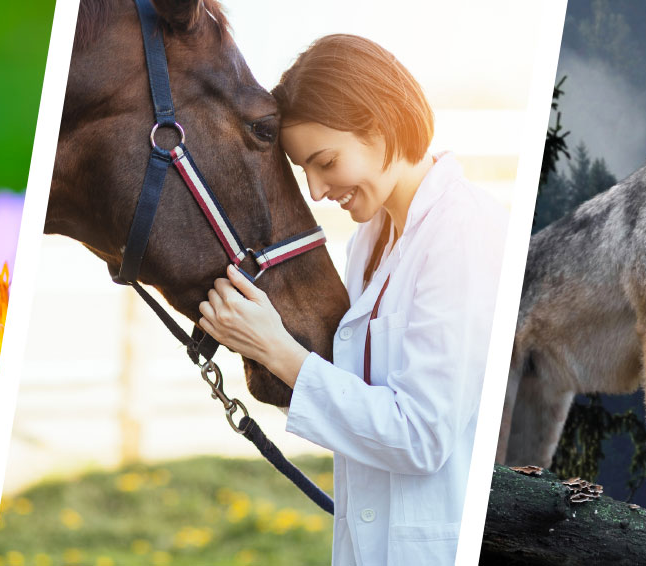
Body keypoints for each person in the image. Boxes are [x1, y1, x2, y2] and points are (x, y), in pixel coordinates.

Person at [195, 34, 504, 566]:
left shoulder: (466, 233)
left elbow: (421, 436)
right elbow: (361, 404)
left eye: (326, 161)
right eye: (304, 171)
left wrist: (279, 351)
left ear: (379, 128)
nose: (316, 191)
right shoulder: (368, 242)